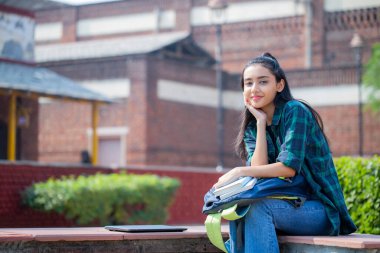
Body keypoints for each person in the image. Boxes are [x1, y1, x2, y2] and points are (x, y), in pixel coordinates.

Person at [213, 53, 356, 252]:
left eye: (263, 82)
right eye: (248, 83)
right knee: (243, 208)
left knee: (258, 207)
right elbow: (258, 169)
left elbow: (288, 168)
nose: (254, 89)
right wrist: (261, 123)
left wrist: (238, 171)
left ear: (279, 85)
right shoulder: (252, 127)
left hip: (320, 209)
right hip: (286, 205)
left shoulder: (295, 111)